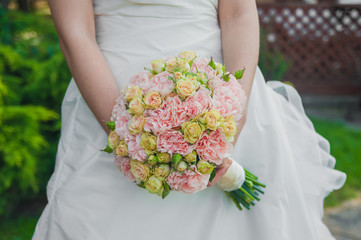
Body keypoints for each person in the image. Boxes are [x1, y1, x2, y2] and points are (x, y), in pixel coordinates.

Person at [32, 0, 346, 239]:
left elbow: (239, 14)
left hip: (222, 96)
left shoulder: (231, 111)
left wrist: (234, 117)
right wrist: (128, 133)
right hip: (110, 99)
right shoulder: (121, 124)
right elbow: (76, 34)